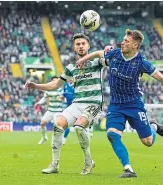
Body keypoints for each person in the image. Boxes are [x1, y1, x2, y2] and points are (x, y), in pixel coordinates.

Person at [76, 29, 163, 178]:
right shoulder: (115, 54)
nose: (122, 43)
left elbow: (162, 78)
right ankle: (128, 168)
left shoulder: (141, 63)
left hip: (134, 105)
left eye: (126, 41)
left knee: (148, 142)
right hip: (116, 105)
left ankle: (153, 127)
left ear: (135, 45)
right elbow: (99, 53)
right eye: (123, 40)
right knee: (112, 134)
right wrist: (83, 59)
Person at [25, 33, 108, 174]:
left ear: (88, 45)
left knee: (79, 128)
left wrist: (100, 52)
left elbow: (107, 57)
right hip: (77, 104)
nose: (81, 46)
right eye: (78, 44)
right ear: (74, 48)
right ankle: (54, 165)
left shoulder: (97, 62)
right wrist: (36, 86)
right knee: (58, 124)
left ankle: (88, 163)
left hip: (94, 104)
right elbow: (56, 85)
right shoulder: (71, 67)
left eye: (83, 43)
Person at [34, 76, 63, 145]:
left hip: (58, 111)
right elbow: (44, 98)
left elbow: (64, 98)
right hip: (50, 110)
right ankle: (44, 137)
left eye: (56, 81)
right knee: (42, 123)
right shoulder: (48, 90)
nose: (55, 82)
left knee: (57, 126)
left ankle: (58, 141)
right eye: (53, 81)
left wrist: (61, 98)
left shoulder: (61, 90)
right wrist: (38, 103)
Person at [61, 78, 75, 145]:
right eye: (69, 78)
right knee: (66, 122)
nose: (70, 79)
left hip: (76, 106)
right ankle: (64, 139)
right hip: (67, 107)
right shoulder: (65, 85)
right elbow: (63, 94)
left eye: (71, 77)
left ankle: (88, 133)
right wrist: (61, 97)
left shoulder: (76, 85)